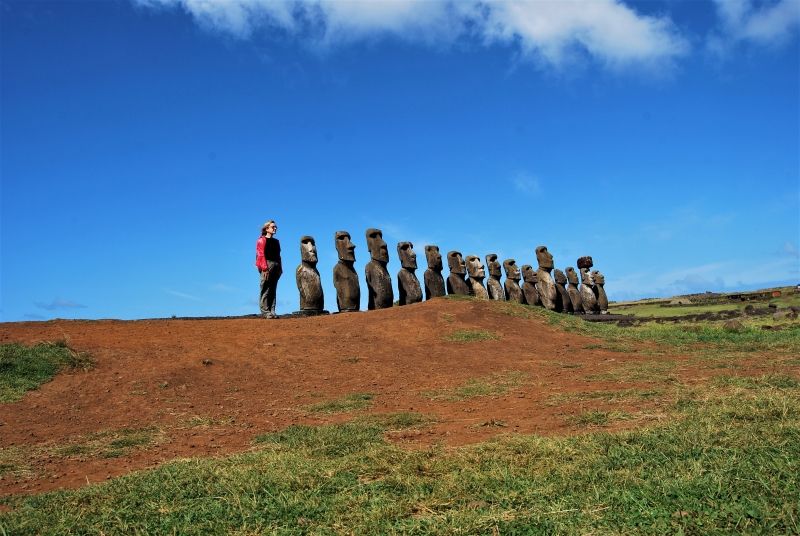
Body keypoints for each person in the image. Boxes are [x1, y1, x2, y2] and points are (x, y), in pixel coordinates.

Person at [255, 220, 282, 318]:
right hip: (266, 264)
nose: (275, 228)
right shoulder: (261, 240)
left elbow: (279, 255)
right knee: (265, 288)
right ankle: (265, 311)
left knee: (273, 289)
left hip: (276, 265)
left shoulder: (276, 241)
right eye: (273, 227)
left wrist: (280, 268)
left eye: (275, 227)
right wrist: (264, 268)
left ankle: (272, 310)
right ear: (267, 228)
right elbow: (260, 254)